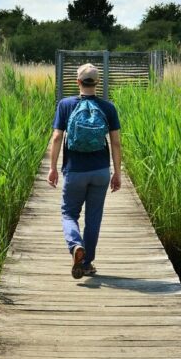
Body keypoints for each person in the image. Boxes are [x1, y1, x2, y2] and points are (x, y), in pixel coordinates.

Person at [47, 63, 122, 279]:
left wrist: (52, 168)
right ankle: (87, 263)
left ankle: (75, 245)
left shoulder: (65, 104)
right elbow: (115, 143)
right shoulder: (108, 107)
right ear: (97, 83)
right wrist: (117, 173)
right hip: (100, 172)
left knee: (69, 213)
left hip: (74, 171)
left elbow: (57, 137)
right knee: (93, 218)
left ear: (78, 82)